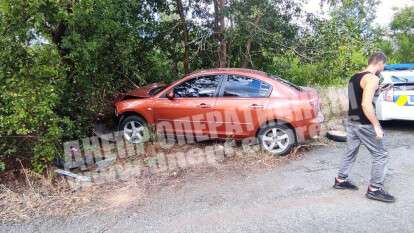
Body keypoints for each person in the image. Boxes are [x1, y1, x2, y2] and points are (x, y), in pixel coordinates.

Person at [333, 52, 395, 203]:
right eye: (383, 65)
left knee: (350, 152)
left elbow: (358, 98)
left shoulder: (355, 77)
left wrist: (379, 90)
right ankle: (375, 189)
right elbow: (365, 104)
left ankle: (340, 180)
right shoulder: (372, 78)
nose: (383, 68)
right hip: (364, 123)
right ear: (379, 62)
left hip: (352, 121)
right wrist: (376, 126)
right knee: (381, 155)